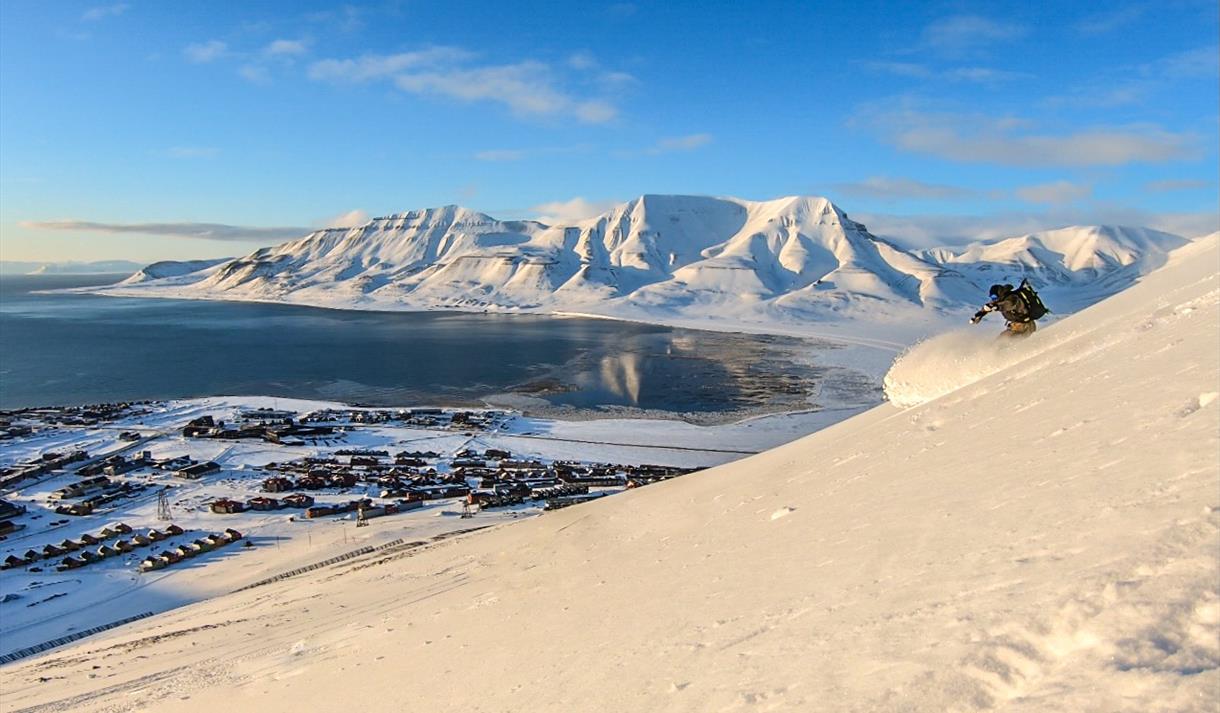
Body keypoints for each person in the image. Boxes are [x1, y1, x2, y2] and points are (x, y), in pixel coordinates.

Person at [970, 283, 1037, 337]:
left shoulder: (1012, 297)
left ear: (1000, 294)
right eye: (992, 297)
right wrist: (979, 315)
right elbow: (989, 306)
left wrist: (997, 307)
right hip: (1016, 326)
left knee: (1005, 341)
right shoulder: (999, 300)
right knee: (1001, 340)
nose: (994, 299)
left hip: (1026, 325)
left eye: (994, 297)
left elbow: (1008, 304)